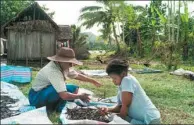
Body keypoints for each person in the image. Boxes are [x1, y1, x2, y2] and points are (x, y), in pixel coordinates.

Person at [28, 47, 102, 112]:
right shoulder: (53, 71)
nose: (71, 65)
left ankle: (59, 105)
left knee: (73, 88)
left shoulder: (63, 66)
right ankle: (55, 108)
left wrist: (93, 81)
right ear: (58, 61)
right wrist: (80, 96)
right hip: (36, 97)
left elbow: (77, 75)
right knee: (67, 91)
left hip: (46, 91)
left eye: (71, 63)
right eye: (69, 63)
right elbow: (64, 95)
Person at [99, 59, 161, 124]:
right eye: (111, 78)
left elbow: (126, 105)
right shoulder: (122, 85)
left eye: (114, 78)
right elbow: (121, 106)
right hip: (141, 120)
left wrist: (119, 121)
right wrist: (108, 109)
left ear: (123, 74)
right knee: (113, 116)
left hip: (150, 120)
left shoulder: (127, 80)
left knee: (115, 118)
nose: (113, 81)